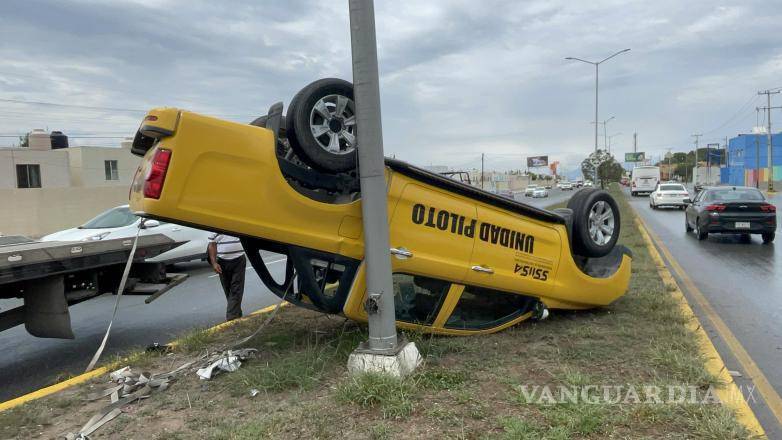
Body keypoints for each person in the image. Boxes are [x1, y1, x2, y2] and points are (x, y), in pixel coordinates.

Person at [207, 233, 246, 321]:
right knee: (228, 290)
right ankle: (237, 314)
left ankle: (231, 317)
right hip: (222, 262)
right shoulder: (214, 227)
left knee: (236, 289)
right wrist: (214, 263)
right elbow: (212, 245)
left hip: (239, 260)